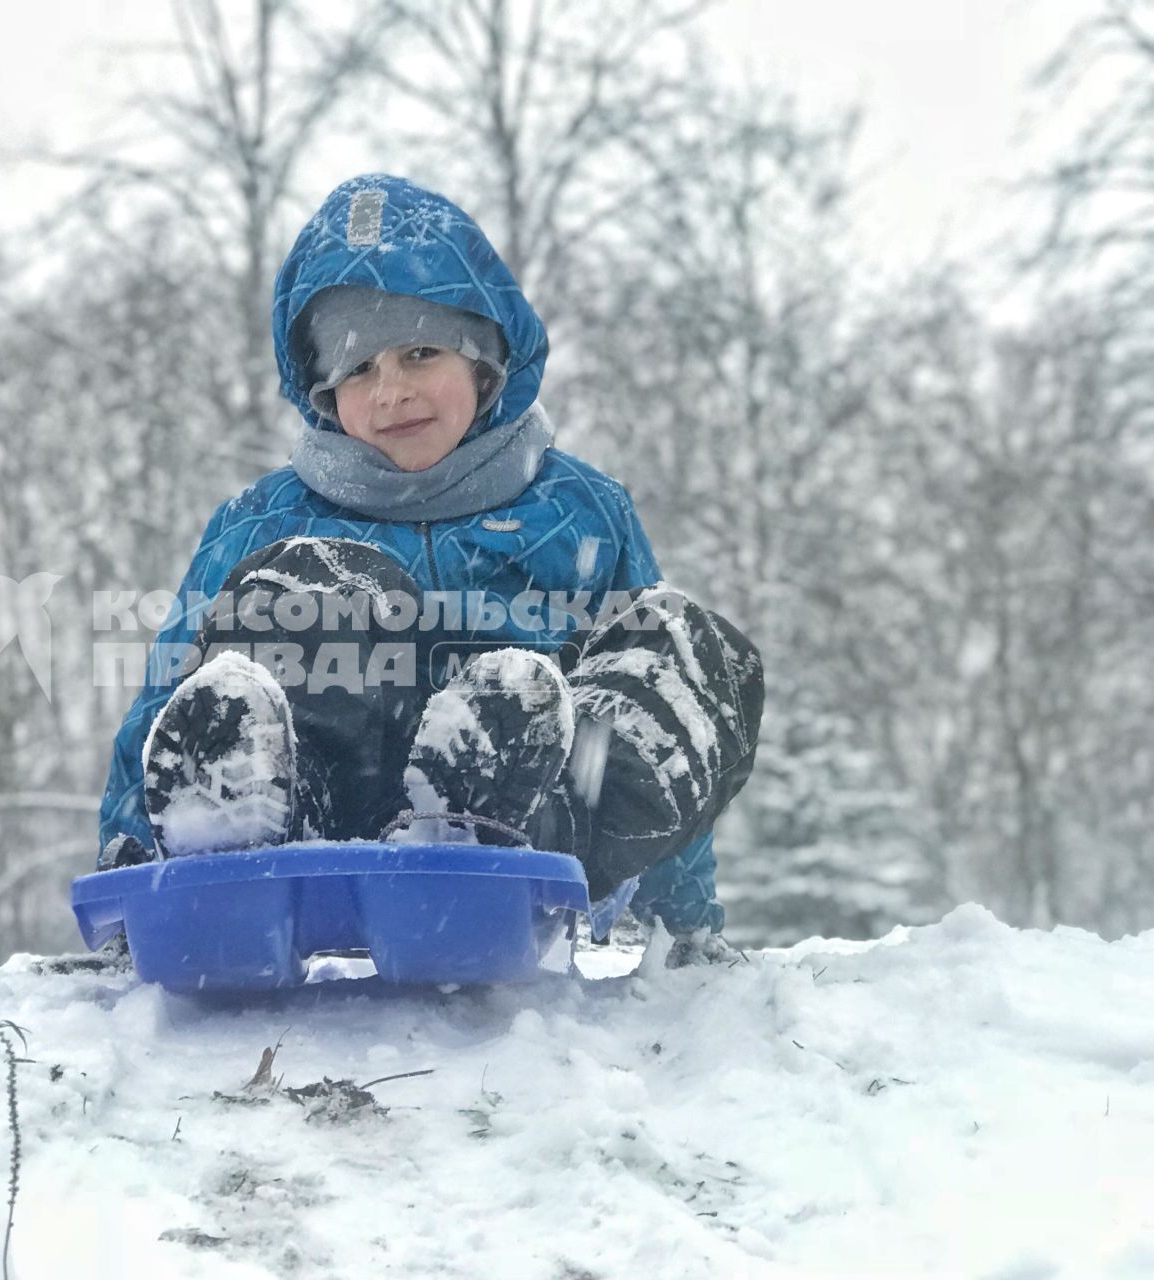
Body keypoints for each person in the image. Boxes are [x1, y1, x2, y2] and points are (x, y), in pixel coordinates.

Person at [97, 175, 763, 961]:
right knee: (310, 593)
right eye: (358, 370)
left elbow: (638, 683)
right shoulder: (265, 520)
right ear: (322, 393)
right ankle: (243, 825)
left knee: (683, 643)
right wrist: (125, 891)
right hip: (319, 851)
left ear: (484, 363)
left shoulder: (580, 506)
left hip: (532, 848)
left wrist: (682, 918)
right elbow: (165, 703)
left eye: (419, 353)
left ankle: (477, 825)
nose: (391, 392)